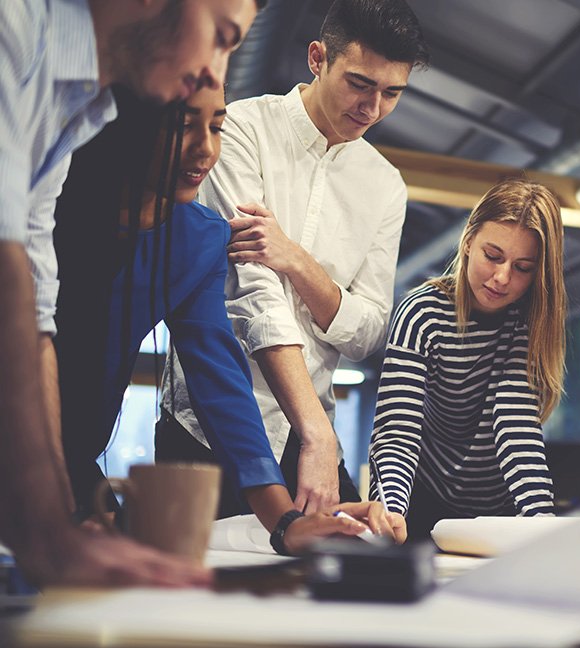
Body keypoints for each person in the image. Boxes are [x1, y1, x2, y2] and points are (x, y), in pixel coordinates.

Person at [52, 84, 404, 557]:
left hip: (70, 452)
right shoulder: (43, 212)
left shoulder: (197, 238)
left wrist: (285, 523)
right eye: (182, 126)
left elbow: (219, 379)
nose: (206, 150)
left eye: (216, 126)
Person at [0, 0, 262, 589]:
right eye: (219, 37)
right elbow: (6, 268)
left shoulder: (77, 110)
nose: (216, 72)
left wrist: (61, 520)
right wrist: (47, 532)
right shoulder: (12, 30)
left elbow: (36, 311)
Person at [157, 0, 429, 516]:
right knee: (194, 588)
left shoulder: (386, 186)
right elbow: (250, 291)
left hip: (305, 438)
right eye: (360, 84)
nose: (372, 109)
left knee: (339, 579)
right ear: (317, 58)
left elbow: (370, 332)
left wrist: (298, 262)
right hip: (207, 428)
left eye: (392, 93)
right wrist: (318, 433)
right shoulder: (237, 129)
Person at [369, 178, 567, 539]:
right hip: (423, 501)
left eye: (522, 268)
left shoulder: (526, 323)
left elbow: (516, 425)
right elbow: (398, 430)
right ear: (467, 242)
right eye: (492, 256)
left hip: (500, 510)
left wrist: (540, 519)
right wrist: (391, 508)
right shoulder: (422, 313)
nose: (502, 278)